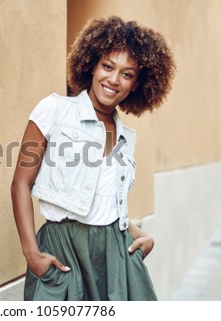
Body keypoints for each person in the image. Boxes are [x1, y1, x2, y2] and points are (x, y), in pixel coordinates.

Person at [10, 16, 175, 301]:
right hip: (64, 251)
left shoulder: (126, 137)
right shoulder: (54, 110)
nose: (113, 80)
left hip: (114, 255)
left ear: (136, 84)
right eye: (107, 66)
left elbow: (105, 206)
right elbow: (20, 184)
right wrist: (31, 252)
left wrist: (139, 234)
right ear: (92, 65)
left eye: (127, 74)